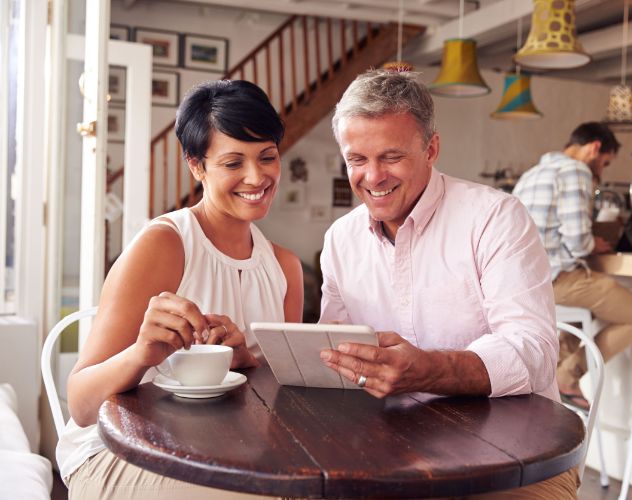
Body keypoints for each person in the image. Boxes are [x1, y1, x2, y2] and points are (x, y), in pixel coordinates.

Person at [318, 69, 577, 498]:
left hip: (516, 460)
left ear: (432, 148)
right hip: (394, 453)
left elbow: (535, 354)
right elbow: (338, 360)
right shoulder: (339, 240)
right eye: (357, 160)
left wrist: (428, 369)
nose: (373, 177)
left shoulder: (495, 217)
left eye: (392, 157)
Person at [59, 80, 303, 500]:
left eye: (267, 157)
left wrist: (247, 359)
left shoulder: (284, 267)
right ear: (196, 166)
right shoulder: (165, 244)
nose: (256, 176)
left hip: (229, 454)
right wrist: (141, 353)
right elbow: (82, 405)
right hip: (123, 452)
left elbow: (285, 402)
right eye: (232, 163)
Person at [513, 122, 632, 411]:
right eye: (604, 163)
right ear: (595, 147)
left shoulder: (532, 174)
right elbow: (577, 239)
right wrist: (594, 244)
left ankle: (546, 383)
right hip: (556, 279)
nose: (601, 172)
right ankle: (567, 376)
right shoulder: (575, 170)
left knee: (577, 319)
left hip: (524, 283)